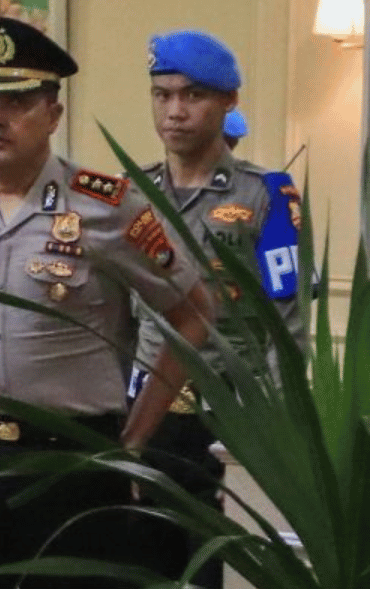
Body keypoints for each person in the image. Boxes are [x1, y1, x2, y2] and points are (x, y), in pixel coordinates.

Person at [0, 17, 214, 589]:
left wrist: (136, 436)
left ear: (52, 113)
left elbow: (193, 312)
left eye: (16, 102)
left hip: (73, 464)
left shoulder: (105, 205)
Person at [129, 30, 306, 588]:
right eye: (162, 95)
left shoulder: (266, 195)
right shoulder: (130, 193)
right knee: (139, 570)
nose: (175, 111)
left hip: (229, 420)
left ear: (229, 101)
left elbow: (287, 329)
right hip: (146, 417)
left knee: (216, 577)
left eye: (193, 95)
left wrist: (266, 438)